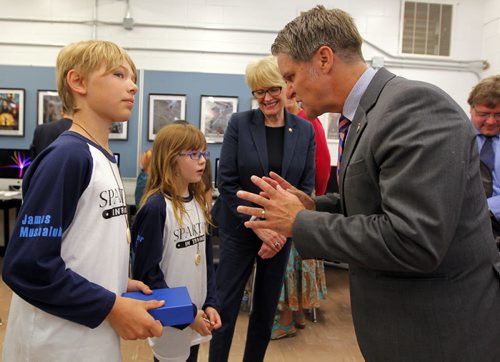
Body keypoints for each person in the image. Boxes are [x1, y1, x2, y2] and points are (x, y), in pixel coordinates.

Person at [235, 6, 500, 361]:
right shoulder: (368, 114)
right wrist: (315, 206)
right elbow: (375, 202)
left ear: (324, 59)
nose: (289, 91)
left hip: (438, 335)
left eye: (291, 76)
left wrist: (300, 222)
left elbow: (413, 239)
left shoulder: (413, 107)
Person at [2, 40, 165, 361]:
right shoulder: (68, 156)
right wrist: (112, 305)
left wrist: (116, 280)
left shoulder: (102, 158)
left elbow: (81, 245)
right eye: (119, 75)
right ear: (77, 82)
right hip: (55, 345)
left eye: (133, 78)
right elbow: (28, 265)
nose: (133, 86)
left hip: (90, 337)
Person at [208, 55, 316, 362]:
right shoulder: (239, 124)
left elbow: (304, 188)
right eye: (258, 91)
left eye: (272, 89)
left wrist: (279, 231)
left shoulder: (304, 131)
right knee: (226, 307)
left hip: (281, 235)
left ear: (284, 86)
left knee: (265, 309)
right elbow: (226, 182)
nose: (266, 97)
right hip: (240, 228)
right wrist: (261, 224)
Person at [131, 122, 221, 362]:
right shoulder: (156, 208)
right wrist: (187, 313)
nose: (202, 160)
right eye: (193, 154)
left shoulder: (199, 204)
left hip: (197, 314)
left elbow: (206, 263)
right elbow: (147, 274)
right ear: (171, 159)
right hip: (174, 318)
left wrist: (211, 302)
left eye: (203, 153)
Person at [270, 96, 330, 339]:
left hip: (296, 201)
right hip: (295, 199)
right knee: (296, 258)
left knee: (290, 260)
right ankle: (297, 314)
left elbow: (322, 164)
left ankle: (287, 318)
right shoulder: (295, 121)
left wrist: (313, 201)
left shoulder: (305, 121)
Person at [467, 75, 500, 249]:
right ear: (471, 109)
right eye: (484, 114)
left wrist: (484, 208)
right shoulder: (457, 139)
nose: (491, 121)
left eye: (498, 115)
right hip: (463, 228)